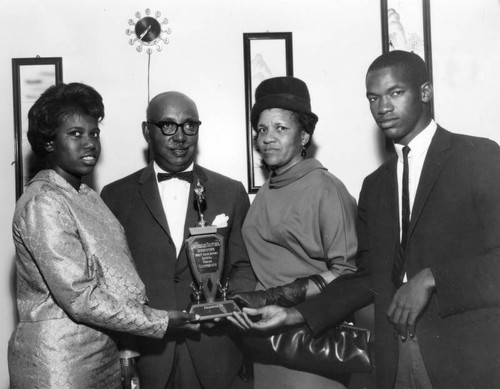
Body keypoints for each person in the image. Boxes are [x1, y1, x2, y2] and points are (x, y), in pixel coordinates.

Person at [235, 51, 500, 388]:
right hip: (394, 356)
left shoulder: (478, 157)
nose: (383, 107)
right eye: (373, 98)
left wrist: (433, 278)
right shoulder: (374, 185)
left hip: (465, 357)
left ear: (425, 92)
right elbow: (364, 278)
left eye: (395, 93)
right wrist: (293, 314)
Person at [8, 82, 198, 389]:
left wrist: (125, 356)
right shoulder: (42, 202)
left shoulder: (87, 196)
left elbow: (116, 283)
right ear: (48, 143)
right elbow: (80, 298)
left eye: (94, 133)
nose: (89, 143)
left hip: (102, 357)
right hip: (58, 364)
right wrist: (161, 321)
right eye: (75, 134)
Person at [100, 91, 256, 389]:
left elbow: (244, 266)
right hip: (149, 357)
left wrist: (226, 307)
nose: (180, 136)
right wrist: (126, 353)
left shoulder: (230, 191)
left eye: (189, 125)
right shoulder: (115, 196)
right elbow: (111, 284)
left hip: (216, 354)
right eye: (168, 126)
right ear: (148, 131)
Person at [228, 76, 358, 389]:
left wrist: (270, 297)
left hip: (311, 339)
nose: (268, 138)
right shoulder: (267, 191)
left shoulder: (326, 190)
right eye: (261, 130)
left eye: (281, 128)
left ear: (304, 136)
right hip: (266, 340)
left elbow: (346, 274)